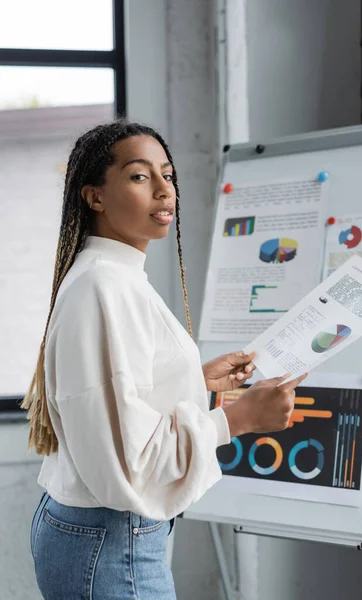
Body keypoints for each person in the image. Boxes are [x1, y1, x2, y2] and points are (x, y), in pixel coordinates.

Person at [23, 121, 306, 600]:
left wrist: (194, 380)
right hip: (112, 541)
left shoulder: (116, 275)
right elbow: (129, 462)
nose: (163, 190)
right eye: (139, 176)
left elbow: (118, 400)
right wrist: (237, 418)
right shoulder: (104, 286)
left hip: (99, 534)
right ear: (94, 197)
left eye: (168, 175)